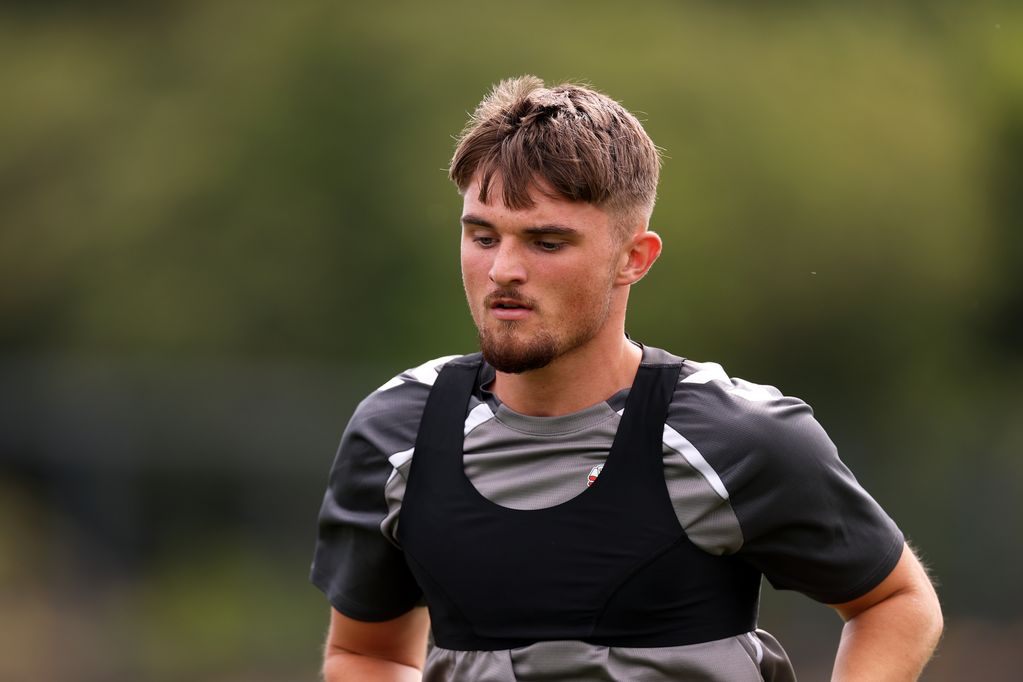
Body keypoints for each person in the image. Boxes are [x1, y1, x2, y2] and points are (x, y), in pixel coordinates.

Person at [310, 75, 943, 681]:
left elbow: (895, 602)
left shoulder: (734, 436)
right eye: (482, 235)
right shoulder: (395, 433)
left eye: (546, 243)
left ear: (633, 259)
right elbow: (368, 654)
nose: (503, 269)